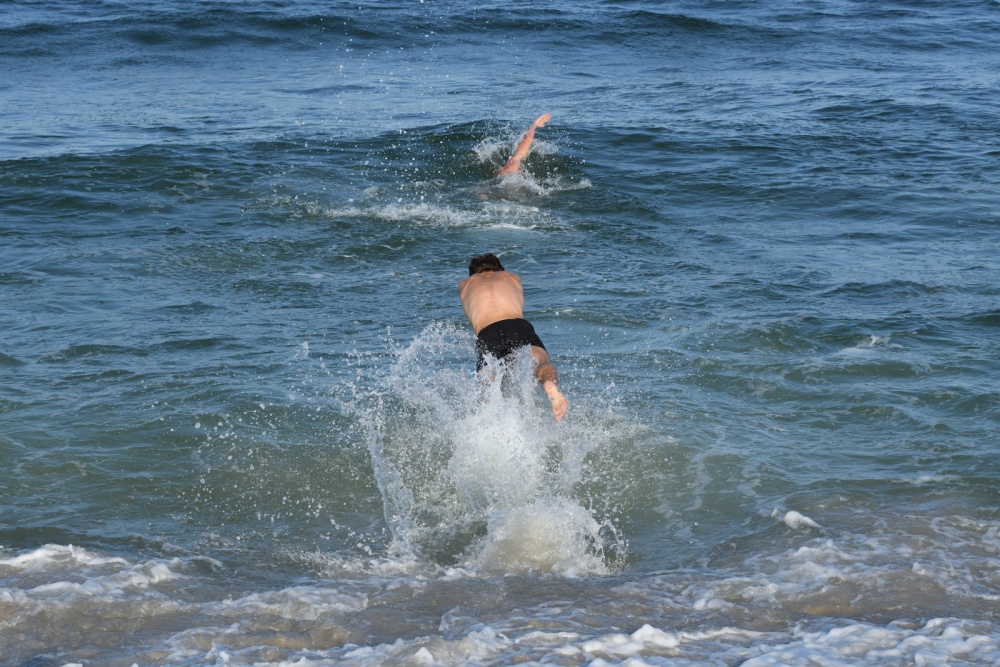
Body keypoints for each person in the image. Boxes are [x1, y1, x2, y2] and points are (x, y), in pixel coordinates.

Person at [458, 252, 569, 421]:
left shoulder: (465, 284)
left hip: (487, 333)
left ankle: (493, 422)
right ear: (500, 269)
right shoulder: (512, 277)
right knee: (541, 363)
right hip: (517, 326)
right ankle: (549, 384)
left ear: (472, 274)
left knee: (490, 385)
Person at [496, 113, 552, 178]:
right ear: (509, 160)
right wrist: (534, 124)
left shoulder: (498, 174)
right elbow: (529, 137)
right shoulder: (513, 162)